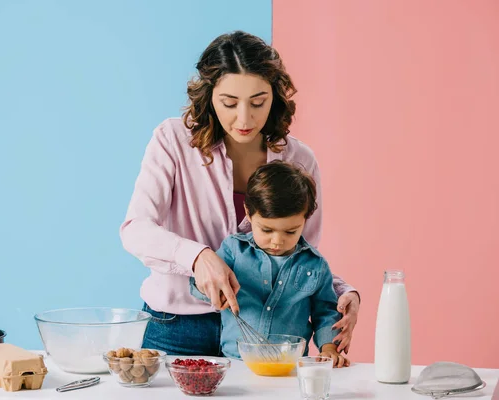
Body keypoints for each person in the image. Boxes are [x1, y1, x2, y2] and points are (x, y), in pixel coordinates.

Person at [120, 30, 360, 356]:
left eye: (258, 102)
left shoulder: (299, 160)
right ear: (209, 96)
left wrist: (346, 293)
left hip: (269, 334)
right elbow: (136, 230)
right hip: (176, 327)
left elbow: (301, 255)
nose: (245, 118)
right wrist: (198, 257)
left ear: (275, 97)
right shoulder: (172, 141)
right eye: (229, 103)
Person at [189, 161, 350, 368]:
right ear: (248, 213)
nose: (277, 241)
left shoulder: (315, 265)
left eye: (290, 232)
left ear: (306, 218)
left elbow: (326, 312)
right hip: (236, 363)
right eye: (266, 230)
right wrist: (211, 290)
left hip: (291, 366)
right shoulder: (232, 250)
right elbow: (200, 284)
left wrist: (328, 347)